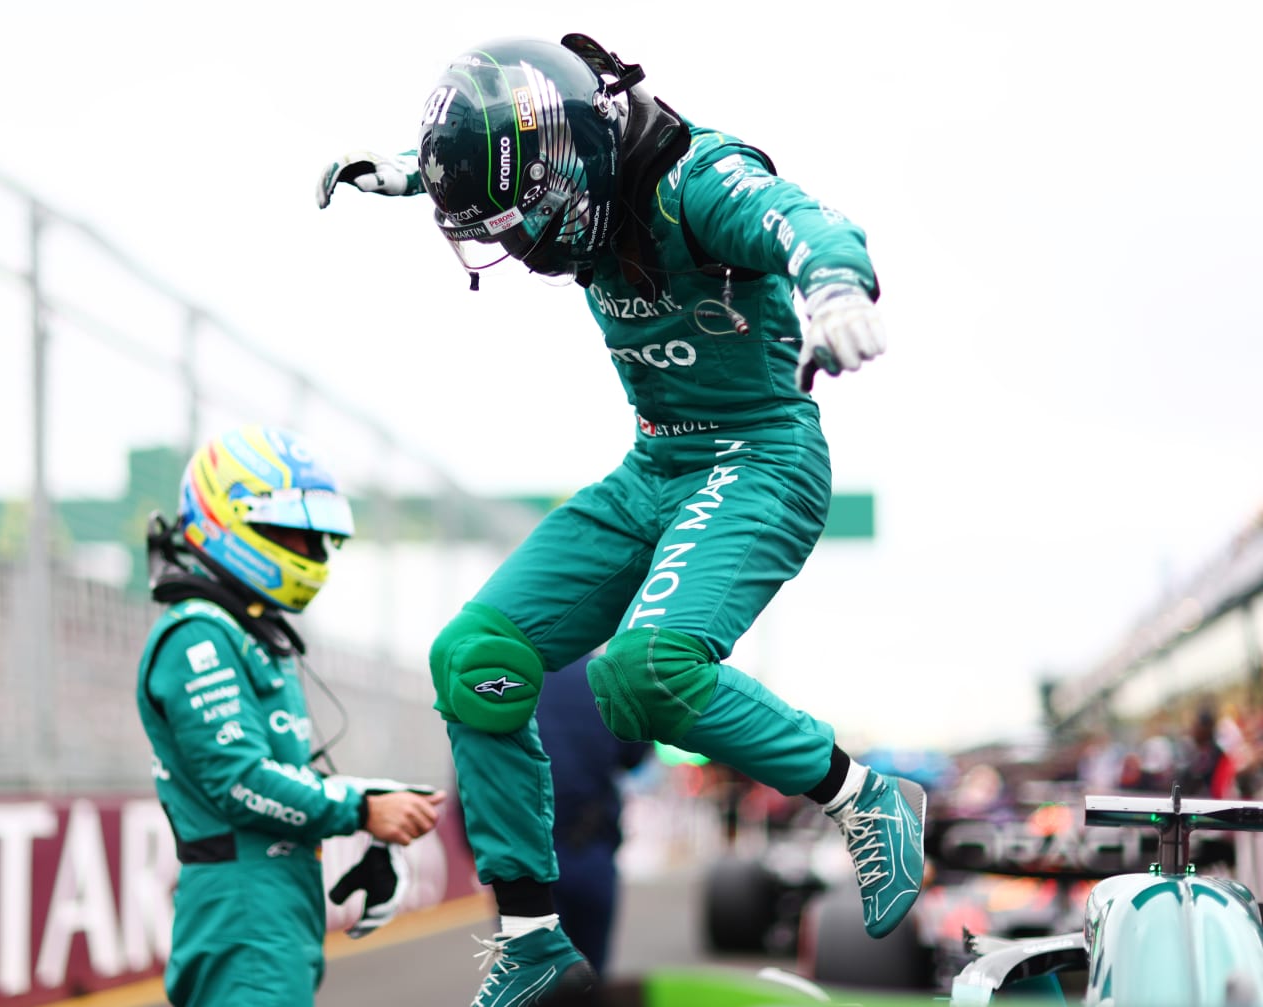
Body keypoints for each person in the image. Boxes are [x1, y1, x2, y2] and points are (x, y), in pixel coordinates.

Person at [317, 33, 924, 1005]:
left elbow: (801, 220)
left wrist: (837, 284)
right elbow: (504, 132)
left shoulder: (699, 180)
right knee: (473, 655)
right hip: (656, 467)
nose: (525, 250)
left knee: (646, 671)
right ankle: (529, 939)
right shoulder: (564, 153)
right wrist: (407, 171)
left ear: (572, 168)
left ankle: (866, 796)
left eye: (526, 223)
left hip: (759, 456)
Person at [136, 424, 447, 1006]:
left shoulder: (245, 630)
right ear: (229, 518)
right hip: (243, 907)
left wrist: (375, 810)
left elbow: (276, 774)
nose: (313, 553)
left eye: (321, 538)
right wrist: (362, 810)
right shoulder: (199, 634)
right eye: (295, 532)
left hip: (274, 902)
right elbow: (240, 780)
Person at [535, 654, 651, 977]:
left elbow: (473, 770)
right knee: (589, 978)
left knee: (528, 979)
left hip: (525, 854)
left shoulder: (511, 676)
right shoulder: (608, 678)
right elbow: (636, 752)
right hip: (590, 845)